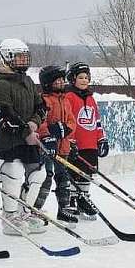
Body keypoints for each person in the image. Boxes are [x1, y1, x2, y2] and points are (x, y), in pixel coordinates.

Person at [0, 38, 47, 235]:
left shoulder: (28, 80)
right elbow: (7, 114)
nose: (23, 61)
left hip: (30, 136)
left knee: (37, 174)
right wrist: (25, 133)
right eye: (18, 57)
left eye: (25, 57)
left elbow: (41, 106)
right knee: (14, 172)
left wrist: (34, 123)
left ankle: (26, 212)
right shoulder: (2, 83)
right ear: (7, 58)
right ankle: (9, 217)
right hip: (11, 138)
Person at [64, 61, 108, 220]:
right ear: (73, 79)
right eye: (81, 77)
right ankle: (72, 200)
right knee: (74, 173)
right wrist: (70, 141)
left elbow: (96, 120)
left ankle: (83, 199)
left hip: (91, 144)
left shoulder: (90, 98)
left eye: (86, 77)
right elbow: (68, 120)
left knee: (87, 173)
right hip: (76, 144)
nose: (84, 80)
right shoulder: (69, 96)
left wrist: (101, 139)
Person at [35, 65, 77, 225]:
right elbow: (40, 121)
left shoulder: (65, 100)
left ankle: (64, 208)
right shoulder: (43, 100)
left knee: (63, 177)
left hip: (63, 146)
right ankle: (36, 209)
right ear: (47, 83)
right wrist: (48, 133)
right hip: (47, 147)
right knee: (46, 176)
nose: (61, 83)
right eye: (57, 80)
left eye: (62, 80)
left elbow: (72, 121)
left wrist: (67, 130)